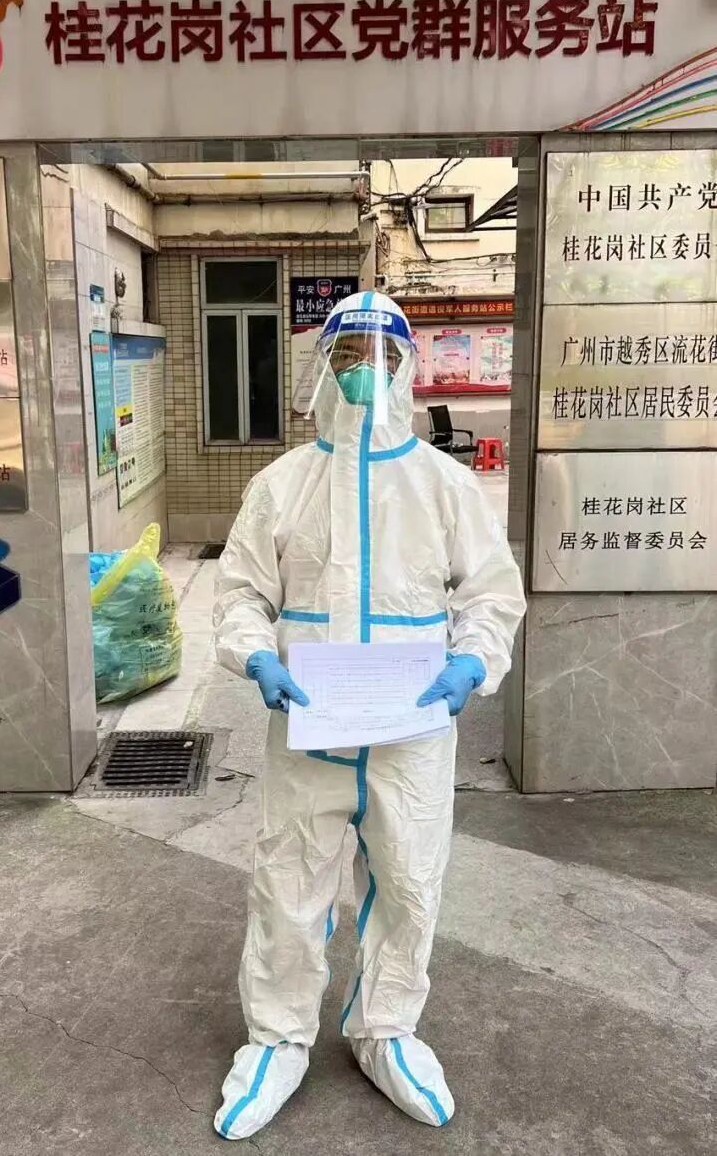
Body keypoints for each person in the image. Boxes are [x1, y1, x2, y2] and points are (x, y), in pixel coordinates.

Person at [212, 291, 526, 1140]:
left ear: (405, 369)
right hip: (308, 725)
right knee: (289, 884)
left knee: (410, 882)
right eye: (347, 354)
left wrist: (470, 661)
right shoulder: (281, 484)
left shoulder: (443, 484)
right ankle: (278, 1038)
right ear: (324, 365)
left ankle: (385, 1028)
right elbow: (240, 592)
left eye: (381, 356)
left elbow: (492, 592)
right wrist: (258, 654)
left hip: (410, 731)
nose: (363, 370)